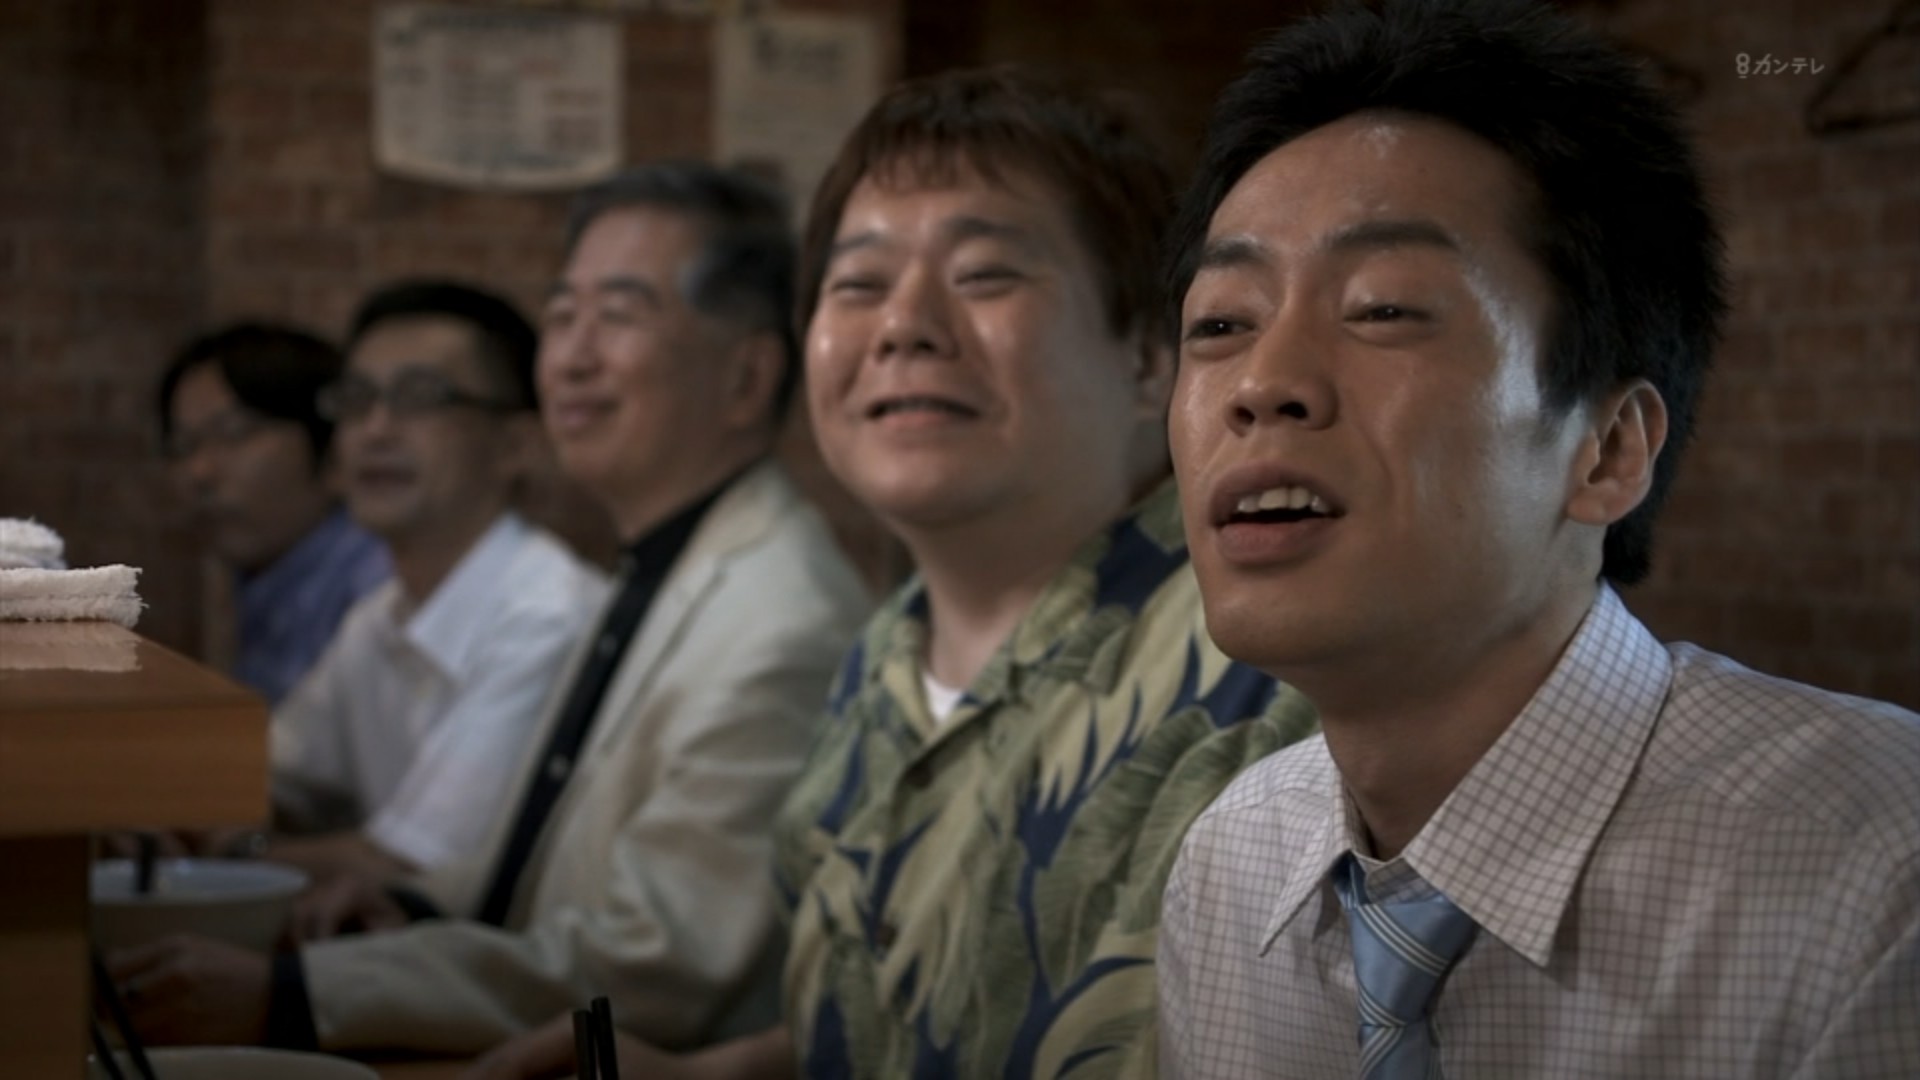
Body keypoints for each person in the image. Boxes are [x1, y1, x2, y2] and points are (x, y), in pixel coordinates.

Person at [469, 66, 1317, 1080]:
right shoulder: (880, 659)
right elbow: (901, 1023)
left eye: (985, 274)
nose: (903, 323)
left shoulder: (1270, 663)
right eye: (858, 284)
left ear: (1147, 354)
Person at [1154, 2, 1920, 1077]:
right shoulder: (1229, 866)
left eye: (1383, 308)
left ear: (1608, 449)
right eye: (1222, 324)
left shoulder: (1878, 867)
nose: (1262, 383)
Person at [109, 162, 873, 1056]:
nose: (571, 358)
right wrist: (414, 904)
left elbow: (657, 964)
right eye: (563, 315)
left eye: (619, 314)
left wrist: (298, 994)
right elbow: (546, 855)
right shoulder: (658, 565)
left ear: (747, 378)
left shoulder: (780, 620)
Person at [260, 279, 610, 882]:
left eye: (419, 397)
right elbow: (270, 774)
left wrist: (214, 858)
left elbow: (412, 869)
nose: (376, 429)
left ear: (517, 444)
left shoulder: (548, 616)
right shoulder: (380, 617)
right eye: (357, 399)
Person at [158, 323, 390, 704]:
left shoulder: (375, 589)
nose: (199, 471)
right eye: (183, 446)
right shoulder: (268, 577)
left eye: (235, 434)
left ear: (333, 445)